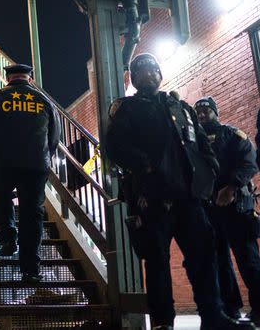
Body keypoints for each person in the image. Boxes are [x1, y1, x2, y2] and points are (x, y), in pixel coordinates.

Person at [105, 53, 253, 330]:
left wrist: (208, 170)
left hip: (189, 199)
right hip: (153, 199)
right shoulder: (128, 109)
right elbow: (114, 146)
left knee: (204, 255)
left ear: (160, 75)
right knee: (158, 261)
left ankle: (213, 316)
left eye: (153, 70)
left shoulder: (181, 107)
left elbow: (200, 146)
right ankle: (163, 323)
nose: (148, 74)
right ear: (134, 79)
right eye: (141, 71)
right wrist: (146, 166)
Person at [0, 63, 60, 282]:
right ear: (30, 80)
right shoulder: (44, 100)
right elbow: (54, 136)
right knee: (32, 214)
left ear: (8, 79)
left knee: (1, 198)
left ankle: (7, 237)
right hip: (36, 166)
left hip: (2, 162)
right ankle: (30, 269)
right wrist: (45, 156)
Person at [194, 97, 260, 323]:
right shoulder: (195, 144)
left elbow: (250, 162)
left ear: (216, 112)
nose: (202, 115)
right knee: (219, 261)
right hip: (210, 211)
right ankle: (230, 309)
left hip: (237, 207)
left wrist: (231, 187)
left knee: (248, 258)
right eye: (198, 112)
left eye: (206, 110)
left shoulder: (232, 135)